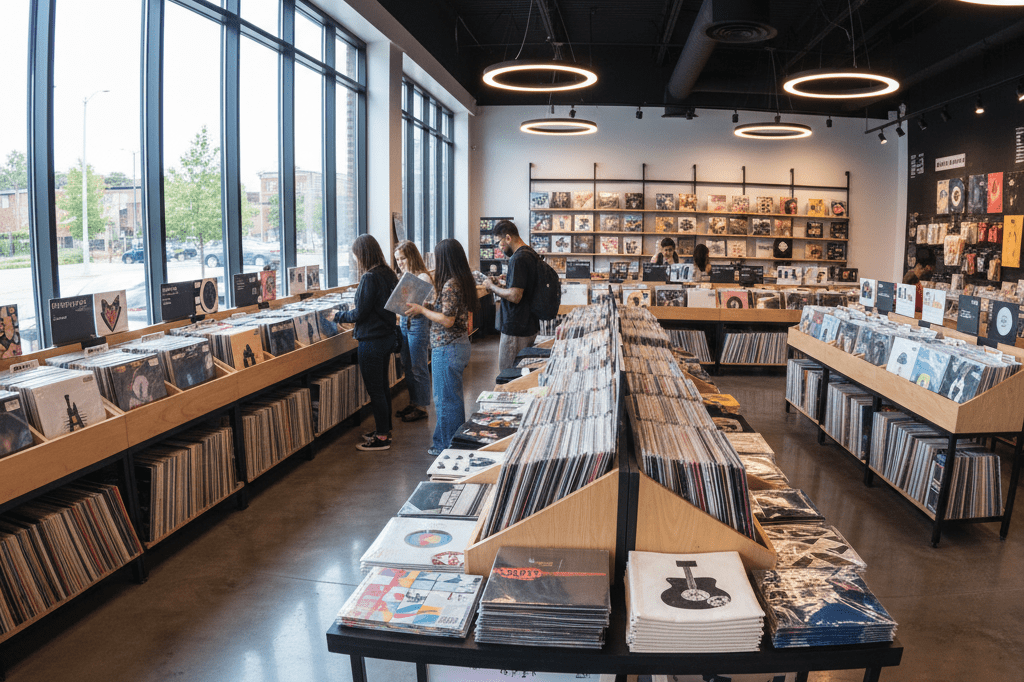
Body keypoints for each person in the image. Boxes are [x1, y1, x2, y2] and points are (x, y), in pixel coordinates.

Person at [405, 239, 479, 457]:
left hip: (447, 347)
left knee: (445, 400)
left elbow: (447, 320)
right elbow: (448, 310)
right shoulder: (460, 281)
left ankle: (447, 445)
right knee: (451, 398)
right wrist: (427, 306)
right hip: (456, 345)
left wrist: (422, 310)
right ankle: (451, 441)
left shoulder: (450, 284)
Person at [335, 234, 399, 451]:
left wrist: (337, 316)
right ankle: (385, 429)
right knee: (383, 386)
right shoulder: (388, 273)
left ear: (362, 254)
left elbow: (359, 313)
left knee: (376, 389)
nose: (355, 259)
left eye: (355, 255)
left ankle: (382, 437)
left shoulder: (369, 277)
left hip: (371, 341)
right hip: (386, 337)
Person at [482, 220, 539, 372]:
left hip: (516, 327)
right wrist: (504, 282)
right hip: (528, 323)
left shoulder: (518, 258)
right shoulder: (530, 254)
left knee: (508, 374)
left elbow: (515, 296)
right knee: (520, 372)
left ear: (508, 238)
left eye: (499, 243)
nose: (499, 247)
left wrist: (492, 287)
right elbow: (522, 288)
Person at [393, 240, 432, 423]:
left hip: (417, 323)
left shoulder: (423, 277)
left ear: (411, 257)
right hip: (404, 322)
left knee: (418, 365)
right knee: (407, 365)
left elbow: (419, 304)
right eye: (397, 260)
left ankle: (422, 407)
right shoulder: (404, 276)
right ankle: (414, 402)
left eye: (403, 258)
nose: (400, 263)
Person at [903, 246, 936, 313]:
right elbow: (917, 305)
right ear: (928, 267)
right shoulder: (912, 279)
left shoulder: (911, 275)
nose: (933, 271)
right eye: (932, 268)